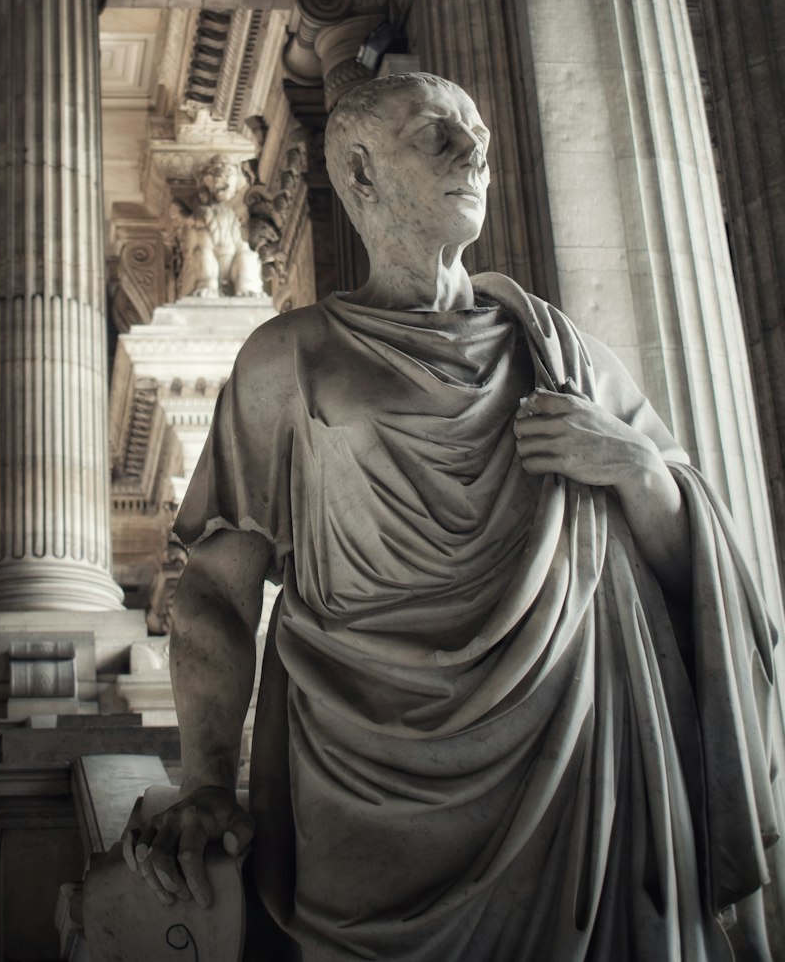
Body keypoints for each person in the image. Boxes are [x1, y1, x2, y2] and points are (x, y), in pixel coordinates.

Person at [122, 73, 779, 961]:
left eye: (478, 132)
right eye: (438, 135)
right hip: (362, 780)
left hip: (577, 755)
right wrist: (204, 779)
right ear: (358, 174)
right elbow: (217, 595)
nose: (476, 152)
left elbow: (697, 570)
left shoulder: (558, 351)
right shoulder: (291, 359)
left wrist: (633, 470)